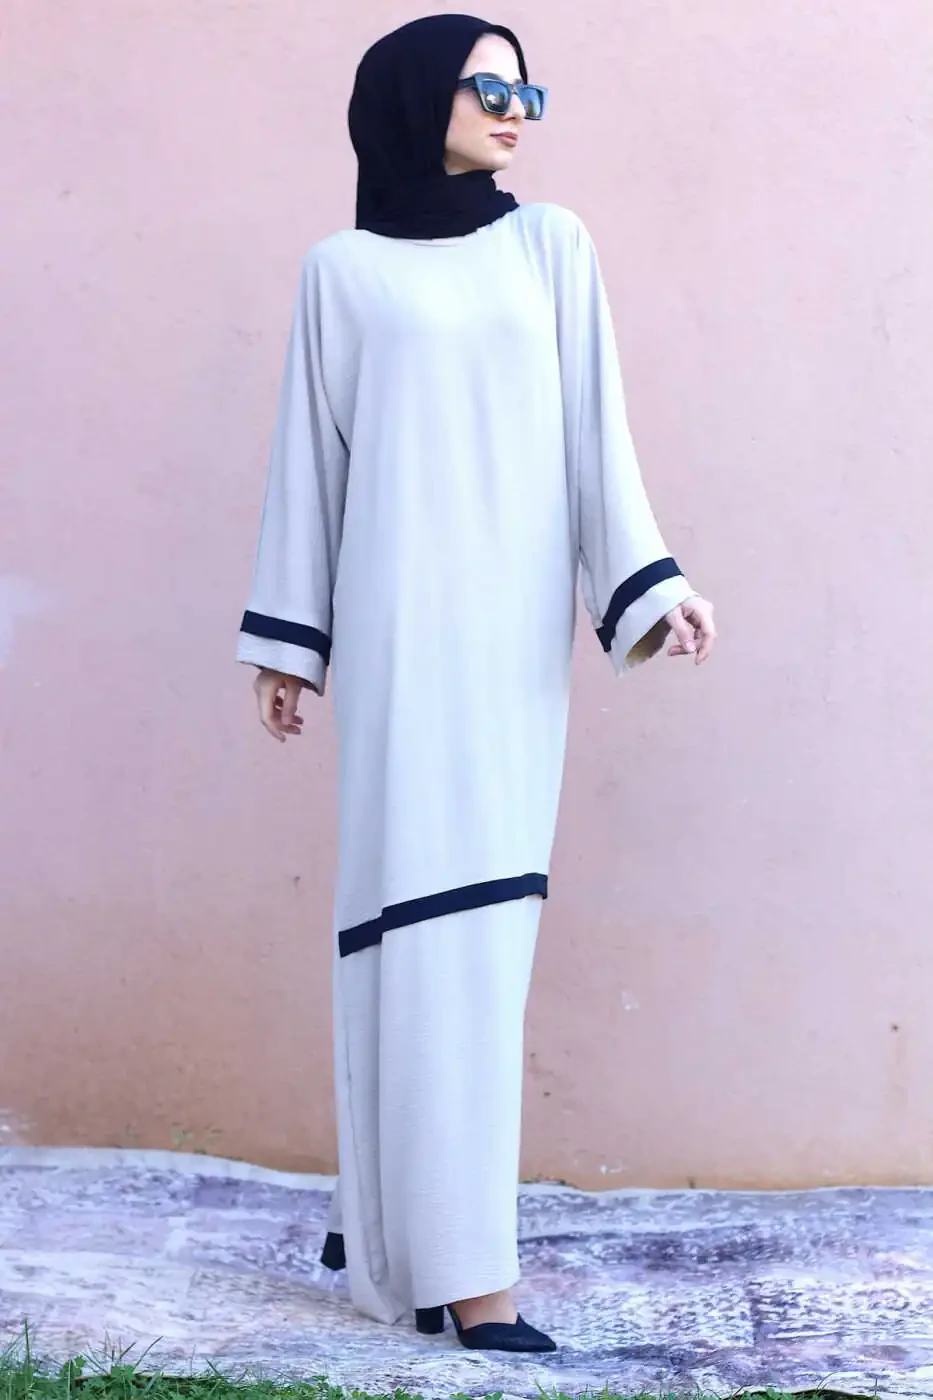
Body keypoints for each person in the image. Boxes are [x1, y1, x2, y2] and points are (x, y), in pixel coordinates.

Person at [237, 12, 716, 1355]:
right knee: (406, 923)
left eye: (525, 91)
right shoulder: (341, 274)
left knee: (479, 932)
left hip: (508, 647)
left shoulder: (550, 247)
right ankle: (455, 1266)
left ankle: (424, 1236)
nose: (515, 111)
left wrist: (653, 581)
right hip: (397, 641)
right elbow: (311, 464)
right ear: (411, 100)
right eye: (486, 88)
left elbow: (596, 431)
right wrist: (288, 646)